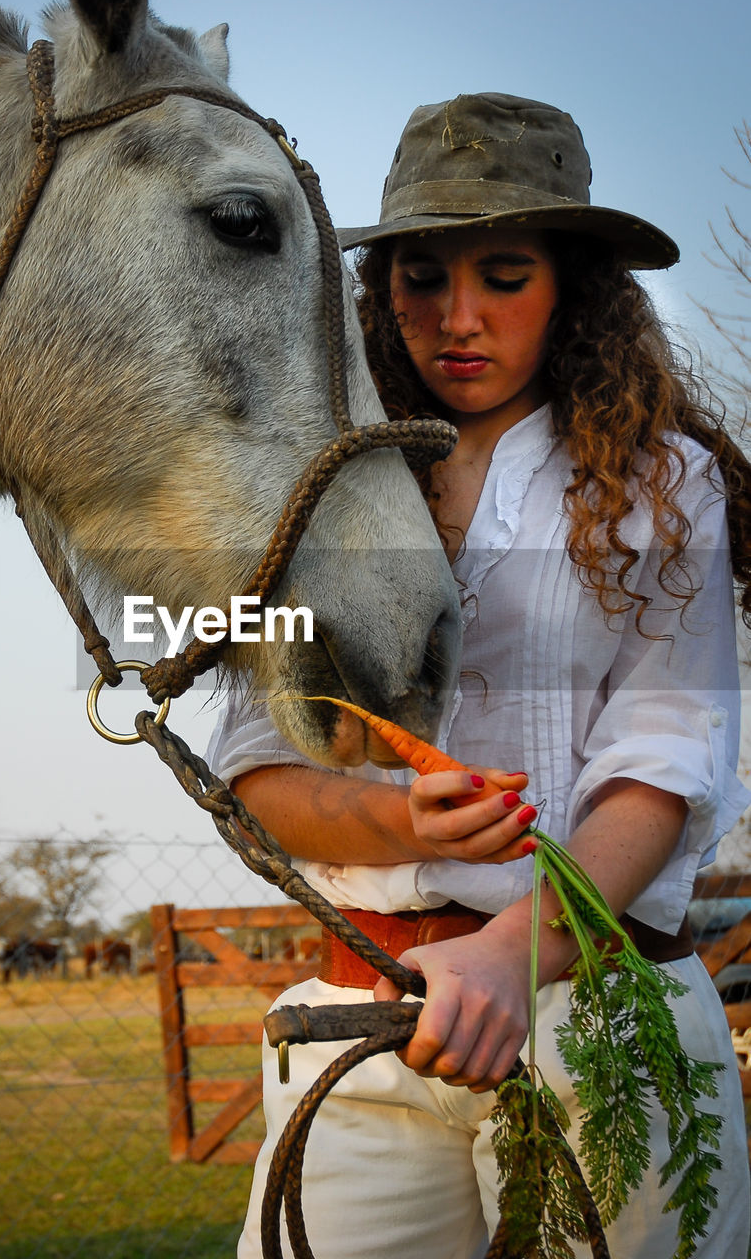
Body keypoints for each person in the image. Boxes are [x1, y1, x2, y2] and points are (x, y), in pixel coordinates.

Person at [207, 93, 751, 1259]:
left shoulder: (666, 484)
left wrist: (515, 950)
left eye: (504, 274)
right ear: (377, 288)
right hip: (364, 1015)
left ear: (574, 288)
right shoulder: (316, 494)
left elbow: (661, 764)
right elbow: (258, 765)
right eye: (420, 277)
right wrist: (398, 812)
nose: (457, 319)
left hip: (601, 1018)